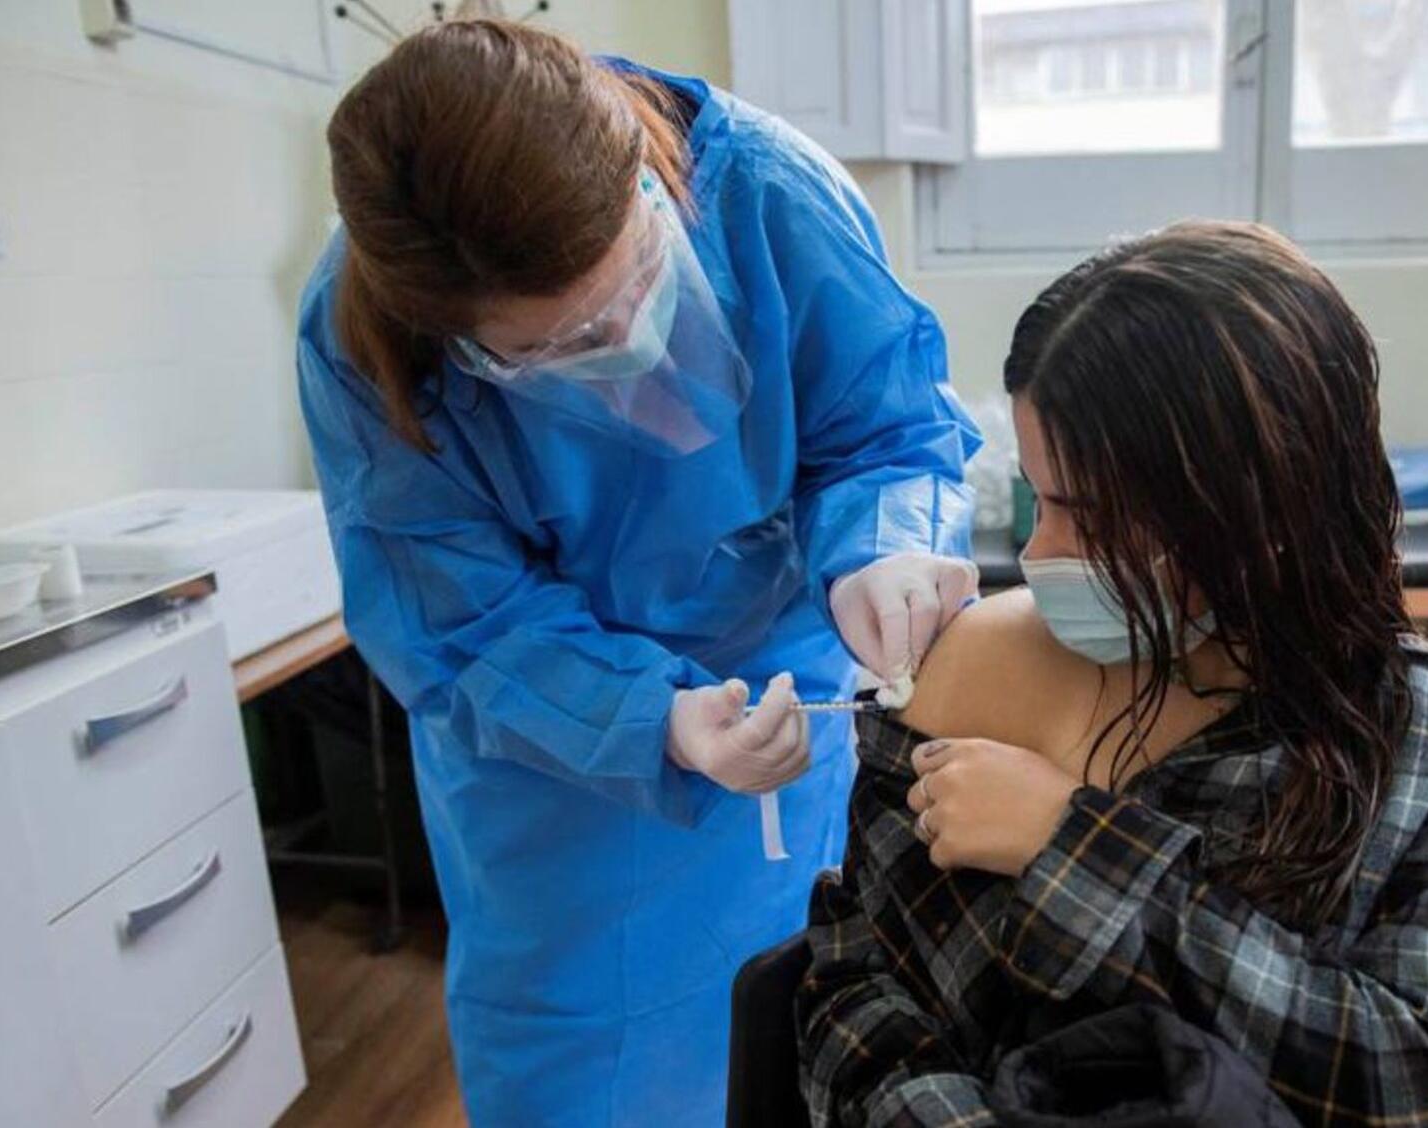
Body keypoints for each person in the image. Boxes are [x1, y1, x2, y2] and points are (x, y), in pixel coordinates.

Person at [296, 20, 979, 1126]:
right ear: (453, 342)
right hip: (553, 747)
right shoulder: (355, 332)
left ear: (645, 180)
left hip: (778, 691)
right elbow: (457, 616)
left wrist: (887, 547)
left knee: (787, 1019)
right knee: (578, 1064)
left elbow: (889, 432)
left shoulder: (769, 195)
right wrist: (651, 718)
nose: (623, 348)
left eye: (633, 288)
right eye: (554, 348)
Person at [799, 222, 1428, 1127]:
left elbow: (1404, 1082)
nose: (1041, 554)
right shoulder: (961, 669)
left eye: (1090, 519)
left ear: (1263, 509)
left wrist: (1073, 849)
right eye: (1039, 501)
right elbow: (852, 986)